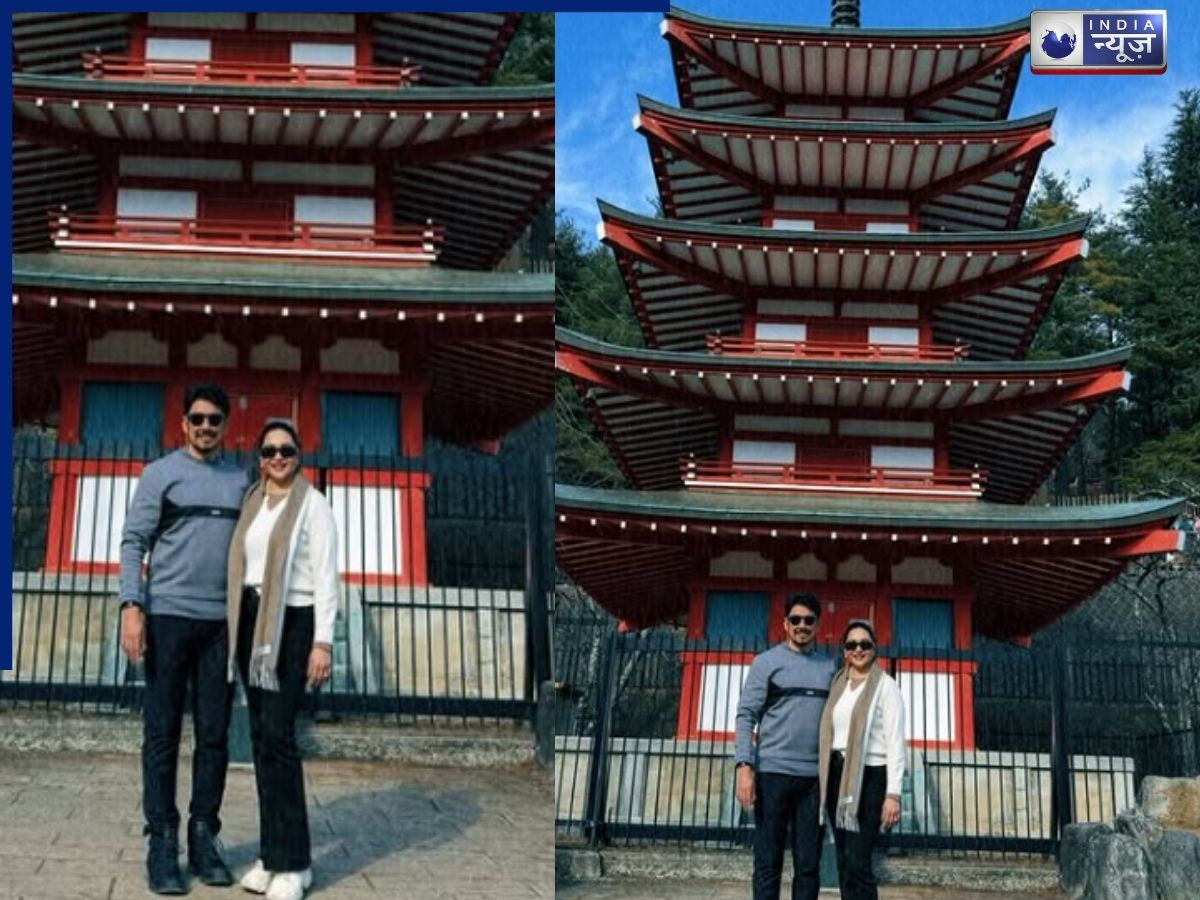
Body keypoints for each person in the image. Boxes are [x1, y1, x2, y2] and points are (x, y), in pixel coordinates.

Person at [120, 384, 250, 894]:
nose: (205, 427)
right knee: (162, 734)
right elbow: (134, 542)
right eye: (196, 419)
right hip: (168, 617)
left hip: (222, 625)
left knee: (214, 734)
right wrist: (133, 606)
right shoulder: (160, 475)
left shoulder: (241, 479)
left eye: (214, 419)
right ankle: (161, 841)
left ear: (224, 425)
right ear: (183, 424)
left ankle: (203, 835)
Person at [226, 419, 338, 900]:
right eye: (269, 450)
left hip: (293, 623)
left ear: (298, 455)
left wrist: (323, 642)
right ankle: (272, 855)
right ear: (259, 456)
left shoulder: (313, 505)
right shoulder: (252, 501)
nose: (277, 458)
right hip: (253, 620)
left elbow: (327, 575)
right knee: (260, 739)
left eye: (286, 450)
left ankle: (295, 862)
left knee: (279, 736)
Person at [734, 596, 836, 900]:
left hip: (813, 780)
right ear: (785, 624)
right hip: (772, 774)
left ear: (817, 625)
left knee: (808, 864)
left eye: (808, 620)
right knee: (768, 861)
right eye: (795, 620)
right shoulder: (765, 663)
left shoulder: (829, 668)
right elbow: (745, 715)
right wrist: (743, 766)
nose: (801, 626)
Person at [818, 621, 906, 900]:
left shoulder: (885, 686)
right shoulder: (837, 683)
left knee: (859, 862)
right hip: (836, 775)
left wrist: (893, 794)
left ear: (874, 649)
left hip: (870, 778)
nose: (858, 649)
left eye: (864, 644)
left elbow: (895, 742)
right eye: (851, 645)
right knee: (843, 858)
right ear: (844, 651)